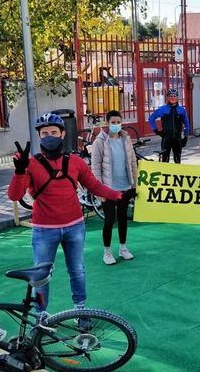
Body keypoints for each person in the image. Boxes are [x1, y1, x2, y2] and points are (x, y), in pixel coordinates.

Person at [8, 113, 123, 319]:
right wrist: (19, 171)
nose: (49, 136)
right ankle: (41, 316)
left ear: (62, 134)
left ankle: (81, 310)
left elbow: (93, 185)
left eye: (54, 132)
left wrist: (116, 194)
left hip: (74, 227)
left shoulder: (76, 162)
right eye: (44, 133)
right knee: (41, 276)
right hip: (44, 230)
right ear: (39, 137)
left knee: (77, 270)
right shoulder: (31, 164)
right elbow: (14, 195)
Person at [91, 110, 138, 265]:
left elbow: (132, 161)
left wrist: (135, 183)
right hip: (108, 189)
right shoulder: (99, 142)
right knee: (109, 220)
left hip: (125, 185)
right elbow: (96, 167)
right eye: (113, 122)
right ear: (107, 123)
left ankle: (123, 248)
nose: (116, 125)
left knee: (123, 218)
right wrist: (99, 189)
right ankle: (107, 252)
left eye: (119, 122)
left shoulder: (126, 139)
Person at [148, 88, 190, 163]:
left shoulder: (181, 110)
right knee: (165, 161)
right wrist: (156, 130)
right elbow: (151, 118)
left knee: (177, 161)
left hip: (177, 139)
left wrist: (186, 136)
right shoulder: (163, 109)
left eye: (174, 96)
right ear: (167, 97)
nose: (173, 98)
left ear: (177, 98)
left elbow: (186, 123)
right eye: (171, 96)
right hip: (166, 139)